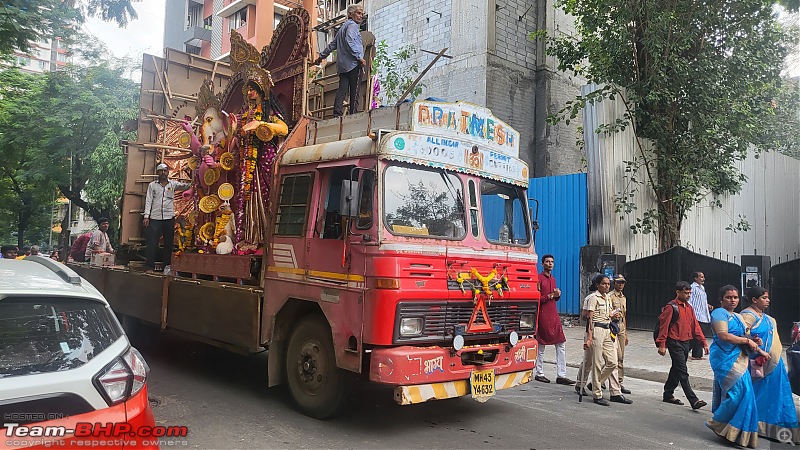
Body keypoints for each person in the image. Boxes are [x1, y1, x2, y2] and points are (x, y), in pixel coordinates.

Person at [741, 286, 800, 444]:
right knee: (760, 394)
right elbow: (742, 335)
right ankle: (758, 425)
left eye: (767, 298)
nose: (768, 300)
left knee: (778, 395)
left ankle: (780, 430)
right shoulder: (747, 316)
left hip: (774, 363)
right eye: (764, 298)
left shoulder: (768, 318)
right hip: (758, 363)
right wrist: (756, 345)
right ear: (754, 300)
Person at [706, 285, 760, 448]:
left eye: (735, 297)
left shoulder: (737, 316)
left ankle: (735, 432)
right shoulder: (719, 313)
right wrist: (746, 341)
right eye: (729, 297)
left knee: (747, 393)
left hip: (739, 357)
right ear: (721, 299)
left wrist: (754, 341)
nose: (733, 300)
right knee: (738, 393)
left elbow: (745, 335)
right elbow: (723, 335)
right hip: (724, 358)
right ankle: (718, 423)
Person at [655, 281, 708, 410]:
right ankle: (693, 400)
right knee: (683, 371)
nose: (688, 295)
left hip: (686, 342)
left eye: (690, 293)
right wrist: (662, 344)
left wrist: (703, 342)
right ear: (678, 292)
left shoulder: (689, 307)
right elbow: (664, 326)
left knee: (677, 369)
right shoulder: (671, 307)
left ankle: (668, 394)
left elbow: (695, 326)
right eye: (685, 293)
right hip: (674, 342)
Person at [583, 274, 632, 406]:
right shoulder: (594, 298)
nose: (606, 286)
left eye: (608, 284)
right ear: (598, 285)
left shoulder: (608, 299)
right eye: (604, 284)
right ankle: (597, 394)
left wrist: (612, 315)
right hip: (597, 330)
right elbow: (590, 319)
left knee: (612, 362)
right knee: (597, 362)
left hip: (607, 330)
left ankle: (595, 383)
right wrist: (589, 337)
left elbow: (608, 314)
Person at [313, 4, 365, 117]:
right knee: (354, 91)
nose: (361, 16)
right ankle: (353, 115)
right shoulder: (352, 26)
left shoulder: (342, 28)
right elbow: (350, 40)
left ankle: (337, 113)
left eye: (361, 13)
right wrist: (359, 57)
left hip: (343, 66)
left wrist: (321, 57)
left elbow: (332, 45)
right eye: (358, 13)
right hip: (353, 64)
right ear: (350, 14)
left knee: (342, 90)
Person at [534, 255, 574, 385]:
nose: (550, 264)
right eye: (547, 262)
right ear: (542, 264)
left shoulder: (553, 279)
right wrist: (552, 295)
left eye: (552, 262)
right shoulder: (538, 279)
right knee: (541, 345)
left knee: (561, 343)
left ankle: (561, 375)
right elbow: (537, 298)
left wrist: (557, 295)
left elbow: (553, 298)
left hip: (554, 315)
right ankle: (539, 373)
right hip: (543, 315)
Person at [144, 163, 190, 273]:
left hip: (169, 217)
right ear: (157, 173)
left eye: (165, 171)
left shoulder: (173, 184)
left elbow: (186, 186)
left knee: (168, 243)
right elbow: (148, 200)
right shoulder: (152, 185)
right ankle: (150, 266)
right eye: (160, 171)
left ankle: (167, 266)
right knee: (152, 242)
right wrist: (146, 216)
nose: (163, 173)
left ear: (168, 172)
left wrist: (196, 180)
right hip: (155, 217)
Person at [609, 274, 631, 394]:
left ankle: (620, 382)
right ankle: (601, 380)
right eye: (619, 282)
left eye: (622, 282)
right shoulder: (610, 296)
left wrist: (626, 333)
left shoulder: (623, 297)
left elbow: (624, 315)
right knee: (614, 357)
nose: (621, 285)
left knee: (621, 357)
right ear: (614, 283)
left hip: (621, 327)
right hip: (613, 326)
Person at [688, 271, 713, 360]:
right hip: (696, 315)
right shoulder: (692, 288)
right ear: (696, 278)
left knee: (699, 335)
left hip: (703, 315)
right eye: (701, 277)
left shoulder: (702, 288)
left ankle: (696, 354)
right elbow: (689, 301)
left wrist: (707, 305)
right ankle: (691, 353)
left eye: (703, 277)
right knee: (697, 335)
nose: (703, 279)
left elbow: (701, 301)